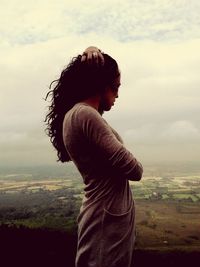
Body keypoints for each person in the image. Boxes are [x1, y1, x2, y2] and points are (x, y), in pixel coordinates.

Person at [44, 46, 143, 267]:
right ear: (101, 84)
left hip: (106, 217)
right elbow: (134, 170)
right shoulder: (85, 115)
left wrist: (92, 50)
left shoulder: (79, 114)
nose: (117, 94)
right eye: (115, 87)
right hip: (105, 221)